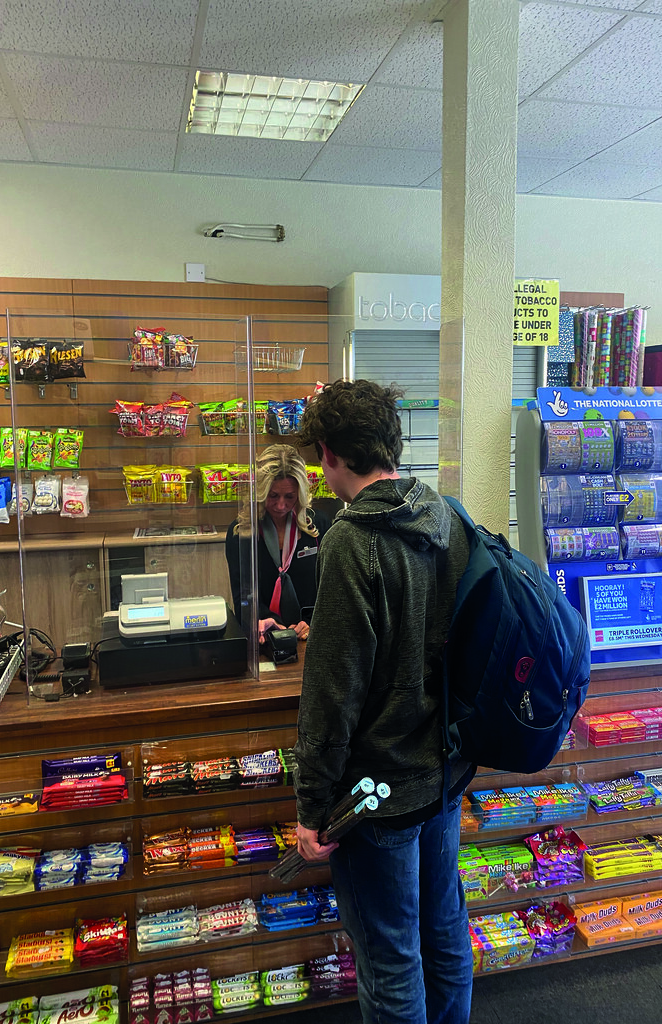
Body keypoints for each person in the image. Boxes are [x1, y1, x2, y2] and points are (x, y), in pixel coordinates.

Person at [293, 379, 474, 1024]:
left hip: (378, 792)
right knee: (445, 933)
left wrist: (313, 805)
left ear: (328, 454)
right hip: (443, 774)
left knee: (391, 960)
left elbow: (333, 691)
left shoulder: (352, 540)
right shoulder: (444, 516)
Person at [225, 443, 330, 644]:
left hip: (311, 636)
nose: (281, 505)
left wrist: (312, 622)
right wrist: (270, 623)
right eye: (272, 496)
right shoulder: (242, 532)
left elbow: (329, 590)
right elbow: (243, 597)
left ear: (300, 493)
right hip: (267, 637)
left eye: (289, 496)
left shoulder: (318, 526)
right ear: (260, 491)